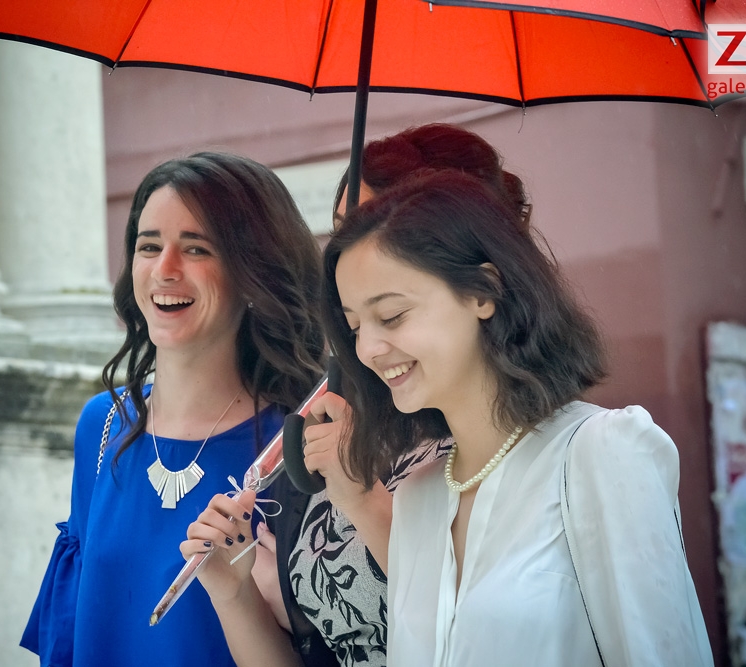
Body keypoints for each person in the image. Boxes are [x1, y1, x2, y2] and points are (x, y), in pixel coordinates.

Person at [320, 169, 714, 666]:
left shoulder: (601, 453)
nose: (368, 349)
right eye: (355, 326)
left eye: (392, 315)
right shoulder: (418, 497)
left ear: (483, 292)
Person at [181, 124, 530, 667]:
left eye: (373, 224)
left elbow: (483, 636)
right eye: (343, 231)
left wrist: (365, 503)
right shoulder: (351, 427)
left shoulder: (544, 454)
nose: (352, 256)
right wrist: (234, 594)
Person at [20, 152, 326, 667]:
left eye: (196, 249)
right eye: (149, 246)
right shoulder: (101, 425)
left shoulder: (297, 444)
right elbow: (72, 636)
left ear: (251, 273)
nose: (164, 270)